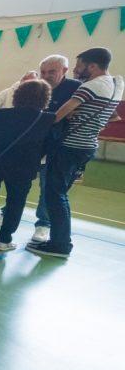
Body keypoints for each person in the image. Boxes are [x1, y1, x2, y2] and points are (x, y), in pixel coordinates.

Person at [30, 47, 123, 258]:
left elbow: (58, 115)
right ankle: (60, 240)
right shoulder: (115, 85)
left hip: (70, 146)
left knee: (55, 196)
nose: (76, 70)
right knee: (59, 194)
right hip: (87, 145)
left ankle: (60, 244)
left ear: (92, 66)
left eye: (79, 66)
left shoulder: (89, 86)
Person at [0, 80, 55, 252]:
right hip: (24, 166)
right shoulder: (47, 119)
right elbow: (49, 146)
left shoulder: (3, 114)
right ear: (45, 98)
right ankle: (5, 240)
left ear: (17, 95)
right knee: (16, 203)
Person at [18, 55, 83, 243]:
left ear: (64, 70)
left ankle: (43, 224)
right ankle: (7, 213)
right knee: (18, 180)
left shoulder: (76, 88)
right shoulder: (37, 87)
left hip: (59, 147)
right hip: (33, 144)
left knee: (48, 187)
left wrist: (71, 114)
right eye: (43, 72)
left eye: (52, 72)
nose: (46, 76)